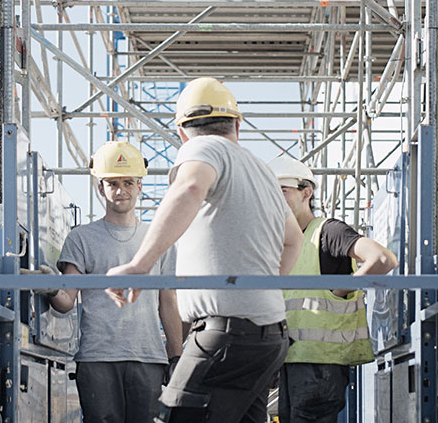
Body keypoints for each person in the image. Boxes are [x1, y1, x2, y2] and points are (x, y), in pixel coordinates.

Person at [105, 77, 304, 423]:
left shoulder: (204, 148)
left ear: (182, 132)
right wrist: (262, 288)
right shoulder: (261, 171)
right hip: (269, 337)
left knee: (175, 417)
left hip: (226, 335)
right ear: (237, 125)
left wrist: (140, 264)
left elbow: (191, 187)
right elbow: (293, 240)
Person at [45, 140, 184, 423]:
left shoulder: (159, 239)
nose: (121, 191)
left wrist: (176, 356)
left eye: (128, 183)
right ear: (100, 188)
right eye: (112, 184)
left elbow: (168, 302)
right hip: (97, 359)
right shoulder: (81, 238)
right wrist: (47, 286)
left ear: (139, 186)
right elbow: (66, 301)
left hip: (149, 358)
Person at [267, 155, 398, 423]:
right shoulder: (284, 244)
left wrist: (340, 290)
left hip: (321, 365)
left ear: (307, 193)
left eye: (283, 191)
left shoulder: (328, 231)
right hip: (294, 361)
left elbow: (383, 259)